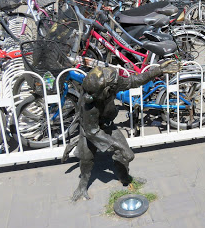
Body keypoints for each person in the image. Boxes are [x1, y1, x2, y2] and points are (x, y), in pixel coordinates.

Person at [63, 60, 180, 201]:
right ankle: (82, 186)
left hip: (106, 124)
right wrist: (117, 146)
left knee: (127, 155)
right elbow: (92, 132)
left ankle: (125, 178)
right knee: (87, 158)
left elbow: (133, 81)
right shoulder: (91, 104)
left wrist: (158, 70)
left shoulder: (111, 83)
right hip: (89, 129)